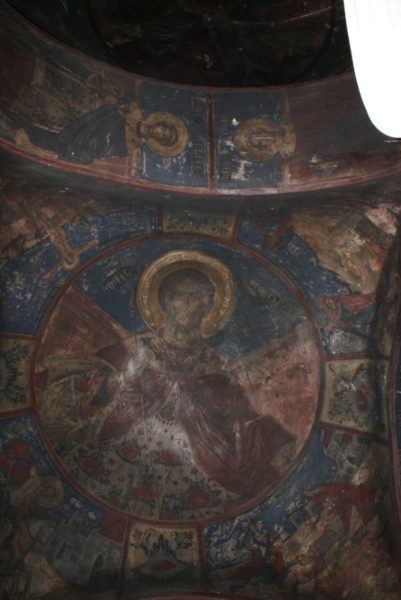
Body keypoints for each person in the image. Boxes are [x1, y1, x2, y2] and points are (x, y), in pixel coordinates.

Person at [39, 263, 294, 516]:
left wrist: (272, 438)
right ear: (164, 302)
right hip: (122, 445)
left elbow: (239, 414)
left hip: (193, 462)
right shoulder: (136, 347)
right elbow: (94, 383)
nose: (184, 304)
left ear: (206, 307)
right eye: (177, 296)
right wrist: (109, 384)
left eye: (193, 297)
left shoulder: (215, 366)